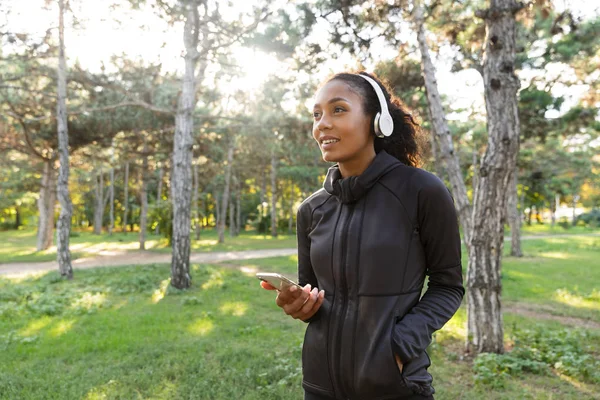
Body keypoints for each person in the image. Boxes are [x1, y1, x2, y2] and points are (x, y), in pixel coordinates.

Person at [260, 71, 464, 400]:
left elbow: (448, 286)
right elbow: (313, 297)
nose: (322, 124)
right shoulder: (310, 210)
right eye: (316, 114)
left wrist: (397, 348)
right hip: (319, 386)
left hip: (395, 387)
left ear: (377, 121)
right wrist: (298, 303)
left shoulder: (421, 191)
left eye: (338, 109)